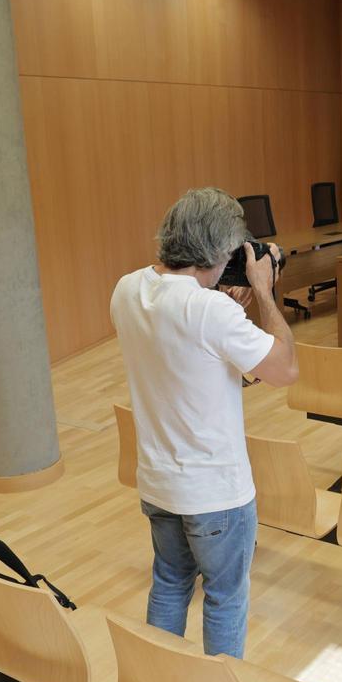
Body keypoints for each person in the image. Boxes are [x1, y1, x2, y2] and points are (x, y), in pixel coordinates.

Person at [110, 188, 298, 658]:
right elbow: (284, 370)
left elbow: (189, 359)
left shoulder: (127, 289)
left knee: (170, 584)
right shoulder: (210, 311)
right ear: (218, 252)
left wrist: (224, 302)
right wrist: (262, 291)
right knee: (225, 598)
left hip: (158, 484)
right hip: (216, 492)